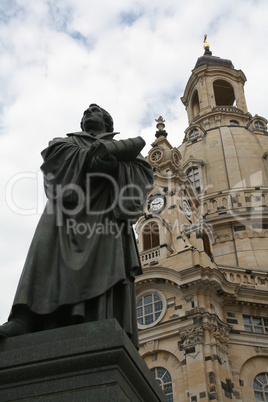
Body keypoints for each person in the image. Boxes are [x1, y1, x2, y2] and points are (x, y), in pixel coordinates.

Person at [0, 104, 153, 349]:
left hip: (106, 212)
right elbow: (55, 161)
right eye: (85, 113)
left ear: (107, 121)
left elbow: (142, 175)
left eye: (94, 111)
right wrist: (91, 157)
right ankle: (25, 317)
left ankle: (97, 316)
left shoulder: (128, 149)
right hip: (65, 211)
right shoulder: (65, 142)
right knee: (43, 253)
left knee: (103, 260)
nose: (87, 114)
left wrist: (114, 165)